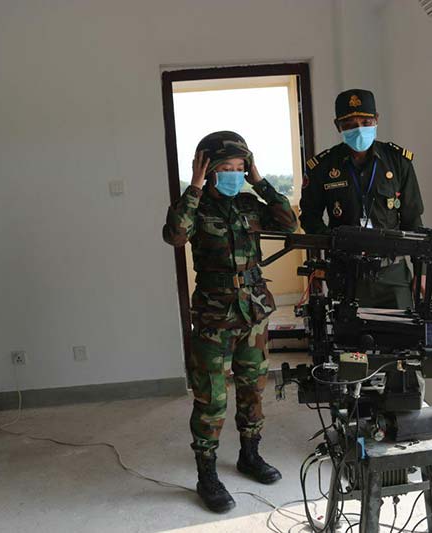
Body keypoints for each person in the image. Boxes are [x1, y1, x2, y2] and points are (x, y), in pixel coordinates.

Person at [162, 132, 298, 513]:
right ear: (208, 169)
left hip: (252, 313)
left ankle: (249, 455)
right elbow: (175, 235)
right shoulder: (196, 205)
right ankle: (206, 474)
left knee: (253, 389)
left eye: (241, 167)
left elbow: (289, 223)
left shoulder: (249, 203)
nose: (235, 174)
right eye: (227, 168)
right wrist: (194, 186)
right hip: (214, 317)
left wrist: (259, 180)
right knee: (212, 398)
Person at [299, 88, 425, 309]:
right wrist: (334, 243)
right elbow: (309, 217)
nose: (359, 129)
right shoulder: (322, 167)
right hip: (346, 273)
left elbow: (412, 220)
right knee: (348, 331)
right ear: (338, 126)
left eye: (366, 122)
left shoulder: (398, 162)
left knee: (401, 330)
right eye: (349, 125)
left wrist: (420, 272)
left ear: (376, 120)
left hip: (392, 274)